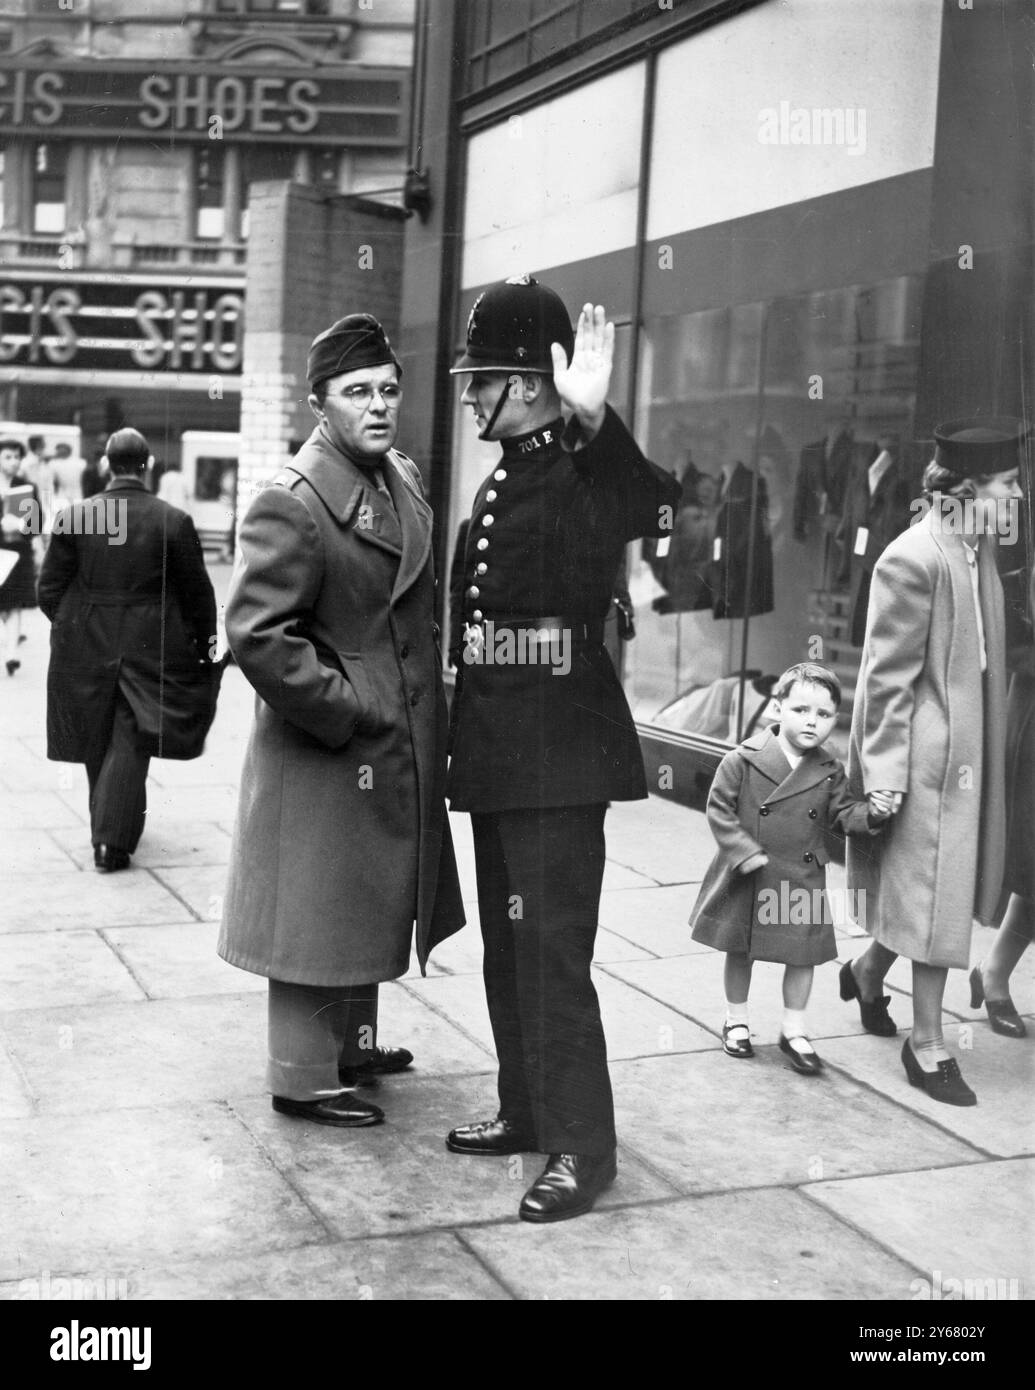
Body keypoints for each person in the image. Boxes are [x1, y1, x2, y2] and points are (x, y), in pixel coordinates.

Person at [445, 276, 682, 1222]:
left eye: (483, 381)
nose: (467, 399)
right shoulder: (503, 475)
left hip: (561, 756)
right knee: (509, 949)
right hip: (505, 752)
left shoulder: (584, 469)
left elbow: (654, 508)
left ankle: (586, 1148)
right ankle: (526, 1108)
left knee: (552, 953)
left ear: (531, 385)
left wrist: (596, 422)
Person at [218, 313, 465, 1130]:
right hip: (328, 747)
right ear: (319, 401)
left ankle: (352, 1047)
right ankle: (301, 1075)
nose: (379, 403)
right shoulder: (291, 500)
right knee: (314, 913)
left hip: (390, 735)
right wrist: (347, 706)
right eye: (358, 391)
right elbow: (256, 635)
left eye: (389, 389)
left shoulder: (397, 475)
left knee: (367, 899)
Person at [843, 417, 1023, 1105]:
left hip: (966, 758)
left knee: (932, 895)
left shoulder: (973, 548)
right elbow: (883, 683)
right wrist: (883, 780)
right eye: (1008, 485)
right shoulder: (913, 557)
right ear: (969, 490)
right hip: (927, 765)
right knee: (936, 899)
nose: (1016, 497)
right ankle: (926, 1045)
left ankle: (865, 971)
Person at [689, 662, 891, 1074]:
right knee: (740, 950)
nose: (811, 721)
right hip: (750, 871)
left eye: (823, 714)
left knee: (803, 957)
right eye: (800, 709)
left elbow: (842, 815)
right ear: (776, 709)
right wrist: (743, 851)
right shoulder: (742, 760)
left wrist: (873, 813)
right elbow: (719, 811)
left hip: (801, 875)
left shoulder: (829, 769)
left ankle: (794, 1030)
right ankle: (736, 1020)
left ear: (834, 720)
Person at [38, 428, 216, 871]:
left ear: (105, 466)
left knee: (98, 730)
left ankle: (109, 827)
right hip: (150, 642)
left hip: (85, 640)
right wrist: (203, 642)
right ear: (149, 465)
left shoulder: (76, 517)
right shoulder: (171, 519)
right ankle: (111, 840)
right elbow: (197, 592)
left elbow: (49, 589)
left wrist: (74, 621)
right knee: (132, 732)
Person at [970, 562, 1034, 1037]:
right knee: (1027, 868)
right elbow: (1009, 646)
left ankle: (993, 973)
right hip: (1031, 729)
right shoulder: (1018, 576)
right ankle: (870, 968)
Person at [0, 438, 40, 675]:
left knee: (13, 604)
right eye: (8, 457)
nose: (13, 462)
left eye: (17, 457)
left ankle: (12, 653)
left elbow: (37, 523)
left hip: (16, 552)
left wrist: (23, 526)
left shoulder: (28, 487)